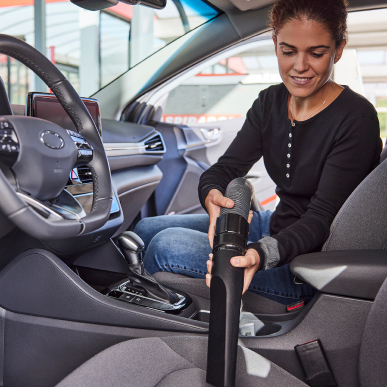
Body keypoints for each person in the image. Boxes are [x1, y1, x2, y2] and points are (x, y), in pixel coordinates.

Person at [134, 0, 382, 305]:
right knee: (146, 227)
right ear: (275, 42)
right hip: (272, 223)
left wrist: (260, 254)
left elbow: (320, 221)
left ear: (338, 49)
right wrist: (211, 194)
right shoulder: (270, 103)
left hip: (307, 262)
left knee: (164, 245)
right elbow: (225, 169)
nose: (300, 66)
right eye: (288, 51)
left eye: (316, 54)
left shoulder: (356, 119)